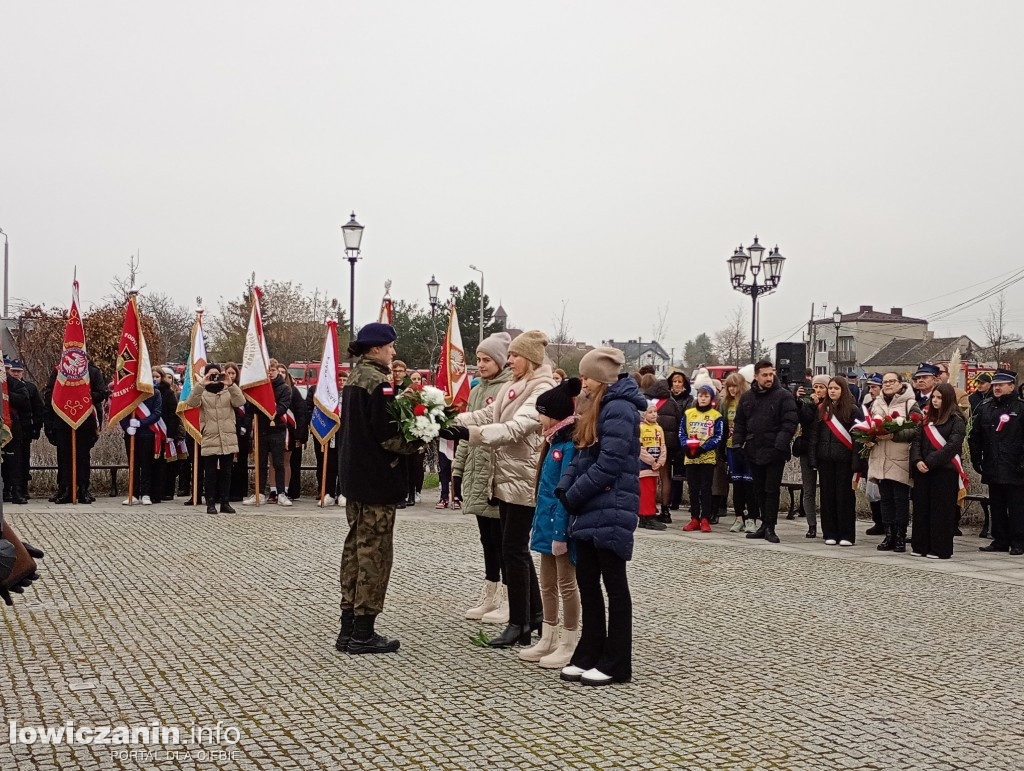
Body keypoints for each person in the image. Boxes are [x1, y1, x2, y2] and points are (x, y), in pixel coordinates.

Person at [446, 330, 555, 648]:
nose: (510, 360)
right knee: (514, 549)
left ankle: (519, 621)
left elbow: (516, 428)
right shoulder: (514, 386)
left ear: (531, 360)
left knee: (513, 550)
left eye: (515, 356)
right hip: (504, 477)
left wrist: (468, 434)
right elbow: (487, 414)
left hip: (521, 479)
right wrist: (453, 420)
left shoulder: (542, 389)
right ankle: (533, 614)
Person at [555, 347, 644, 686]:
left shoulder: (619, 407)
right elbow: (582, 452)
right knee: (587, 583)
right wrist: (565, 488)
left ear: (601, 377)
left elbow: (610, 461)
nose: (584, 383)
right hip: (590, 505)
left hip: (611, 503)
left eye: (588, 376)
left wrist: (575, 495)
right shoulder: (595, 405)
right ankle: (589, 650)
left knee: (614, 587)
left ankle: (616, 660)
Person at [336, 323, 424, 654]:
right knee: (375, 554)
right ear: (375, 349)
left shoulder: (355, 379)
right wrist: (418, 440)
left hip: (356, 479)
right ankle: (363, 633)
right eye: (390, 347)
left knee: (355, 551)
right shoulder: (378, 383)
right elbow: (388, 437)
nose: (394, 352)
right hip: (376, 481)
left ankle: (347, 629)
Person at [519, 377, 582, 669]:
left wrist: (560, 531)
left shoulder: (568, 446)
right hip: (546, 525)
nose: (538, 419)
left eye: (541, 413)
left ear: (554, 415)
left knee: (566, 583)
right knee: (547, 584)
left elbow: (563, 492)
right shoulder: (553, 441)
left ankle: (568, 641)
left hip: (561, 528)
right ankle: (548, 634)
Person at [454, 332, 514, 622]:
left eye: (487, 359)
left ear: (501, 361)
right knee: (486, 538)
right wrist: (458, 469)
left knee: (503, 539)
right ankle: (490, 591)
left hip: (497, 472)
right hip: (476, 470)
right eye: (478, 359)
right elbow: (466, 433)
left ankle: (507, 596)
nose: (481, 364)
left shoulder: (508, 389)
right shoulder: (477, 389)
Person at [732, 360, 798, 544]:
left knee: (771, 490)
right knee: (758, 489)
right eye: (765, 375)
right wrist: (738, 444)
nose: (769, 378)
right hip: (754, 449)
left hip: (775, 451)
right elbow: (740, 423)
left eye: (771, 374)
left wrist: (779, 446)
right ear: (756, 376)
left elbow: (789, 423)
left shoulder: (783, 396)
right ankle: (763, 524)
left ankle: (770, 526)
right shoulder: (747, 397)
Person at [865, 372, 923, 552]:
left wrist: (894, 435)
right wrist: (869, 437)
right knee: (885, 499)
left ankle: (900, 536)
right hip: (880, 456)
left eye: (892, 381)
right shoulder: (876, 403)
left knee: (900, 499)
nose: (888, 384)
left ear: (900, 384)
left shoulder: (910, 403)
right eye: (885, 382)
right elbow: (869, 424)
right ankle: (888, 535)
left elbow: (917, 429)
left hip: (899, 457)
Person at [968, 369, 1024, 556]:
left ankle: (1018, 541)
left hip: (1015, 466)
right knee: (997, 505)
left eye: (1001, 385)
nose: (997, 388)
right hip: (992, 464)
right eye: (995, 385)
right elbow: (975, 436)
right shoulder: (986, 407)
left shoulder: (1020, 408)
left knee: (1016, 506)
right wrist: (977, 459)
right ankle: (1000, 539)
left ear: (1011, 386)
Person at [910, 383, 967, 559]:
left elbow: (952, 446)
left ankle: (939, 548)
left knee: (940, 511)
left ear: (948, 399)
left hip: (944, 471)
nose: (935, 401)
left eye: (939, 398)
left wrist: (930, 461)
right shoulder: (926, 419)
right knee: (922, 509)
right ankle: (920, 545)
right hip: (923, 470)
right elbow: (917, 442)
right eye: (933, 397)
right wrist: (917, 460)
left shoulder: (956, 420)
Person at [185, 363, 246, 514]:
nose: (215, 378)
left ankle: (225, 502)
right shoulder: (203, 392)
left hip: (227, 435)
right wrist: (201, 384)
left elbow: (240, 402)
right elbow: (191, 402)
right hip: (210, 436)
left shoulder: (228, 390)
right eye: (211, 375)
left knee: (226, 472)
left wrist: (230, 384)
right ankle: (210, 503)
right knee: (210, 473)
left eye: (217, 374)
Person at [43, 361, 108, 504]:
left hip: (85, 422)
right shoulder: (59, 371)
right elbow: (49, 395)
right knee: (64, 457)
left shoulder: (92, 371)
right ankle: (65, 488)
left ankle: (83, 488)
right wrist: (49, 425)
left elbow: (101, 393)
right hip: (62, 421)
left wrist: (80, 393)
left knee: (83, 457)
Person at [808, 377, 863, 546]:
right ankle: (830, 532)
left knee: (844, 498)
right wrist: (813, 458)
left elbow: (859, 438)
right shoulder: (821, 409)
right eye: (830, 388)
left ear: (843, 390)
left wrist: (857, 463)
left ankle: (846, 534)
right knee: (827, 498)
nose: (832, 391)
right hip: (826, 460)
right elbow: (814, 436)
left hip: (845, 461)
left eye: (836, 388)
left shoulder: (853, 410)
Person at [243, 358, 291, 507]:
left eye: (272, 370)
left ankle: (281, 493)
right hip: (261, 430)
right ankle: (260, 493)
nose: (270, 373)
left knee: (278, 463)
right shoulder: (259, 388)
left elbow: (282, 408)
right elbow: (250, 408)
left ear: (277, 371)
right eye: (267, 370)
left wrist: (269, 406)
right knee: (261, 464)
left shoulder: (284, 388)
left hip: (277, 430)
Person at [680, 385, 724, 532]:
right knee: (693, 489)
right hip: (690, 457)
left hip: (707, 457)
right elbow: (682, 433)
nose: (703, 398)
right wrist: (686, 447)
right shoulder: (688, 413)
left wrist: (702, 448)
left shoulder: (716, 416)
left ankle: (705, 518)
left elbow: (718, 437)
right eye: (700, 395)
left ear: (710, 398)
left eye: (706, 396)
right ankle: (694, 518)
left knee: (706, 488)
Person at [119, 371, 164, 506]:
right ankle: (133, 493)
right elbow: (122, 411)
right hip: (131, 434)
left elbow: (156, 414)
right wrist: (126, 426)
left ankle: (146, 494)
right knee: (133, 464)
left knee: (146, 465)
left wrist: (140, 423)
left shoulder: (155, 393)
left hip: (147, 433)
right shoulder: (129, 393)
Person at [643, 376, 683, 523]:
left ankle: (650, 508)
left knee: (651, 476)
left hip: (650, 445)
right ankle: (666, 509)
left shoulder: (649, 403)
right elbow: (680, 423)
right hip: (669, 445)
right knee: (666, 476)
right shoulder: (672, 402)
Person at [720, 372, 756, 533]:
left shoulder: (748, 402)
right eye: (729, 386)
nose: (732, 389)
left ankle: (752, 518)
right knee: (737, 483)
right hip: (731, 447)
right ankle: (739, 517)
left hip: (747, 447)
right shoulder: (725, 404)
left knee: (749, 483)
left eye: (735, 386)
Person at [795, 375, 829, 538]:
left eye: (822, 387)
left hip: (824, 451)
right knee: (808, 490)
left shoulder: (831, 406)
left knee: (827, 490)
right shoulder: (806, 404)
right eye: (815, 387)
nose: (817, 390)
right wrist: (808, 404)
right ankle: (811, 525)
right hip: (807, 450)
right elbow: (803, 420)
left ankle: (828, 524)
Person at [307, 369, 346, 506]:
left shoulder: (349, 395)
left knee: (343, 463)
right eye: (339, 380)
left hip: (344, 433)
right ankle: (328, 493)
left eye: (344, 380)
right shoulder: (327, 395)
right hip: (329, 431)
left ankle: (342, 492)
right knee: (328, 463)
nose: (341, 383)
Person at [7, 361, 43, 502]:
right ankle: (7, 489)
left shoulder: (26, 387)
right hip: (8, 428)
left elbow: (35, 408)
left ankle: (20, 489)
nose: (15, 373)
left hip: (21, 429)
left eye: (17, 371)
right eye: (11, 370)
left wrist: (36, 427)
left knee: (20, 461)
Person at [2, 360, 32, 504]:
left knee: (14, 464)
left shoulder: (15, 384)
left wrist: (5, 395)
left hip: (12, 429)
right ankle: (4, 490)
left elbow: (24, 400)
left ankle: (16, 491)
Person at [861, 372, 885, 536]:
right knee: (871, 491)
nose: (871, 390)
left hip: (884, 451)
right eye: (869, 387)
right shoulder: (868, 403)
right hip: (871, 452)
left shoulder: (886, 405)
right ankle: (878, 522)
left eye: (874, 387)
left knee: (882, 490)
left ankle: (885, 523)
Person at [223, 363, 252, 503]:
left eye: (233, 373)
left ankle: (240, 491)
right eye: (228, 373)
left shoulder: (243, 390)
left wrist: (245, 426)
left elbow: (248, 411)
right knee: (229, 463)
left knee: (241, 462)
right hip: (229, 430)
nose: (231, 376)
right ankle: (228, 491)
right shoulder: (222, 390)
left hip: (243, 433)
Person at [637, 401, 667, 531]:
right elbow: (640, 448)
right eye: (650, 412)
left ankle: (646, 516)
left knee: (652, 491)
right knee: (646, 491)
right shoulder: (640, 428)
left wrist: (661, 461)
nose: (654, 414)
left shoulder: (659, 428)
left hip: (655, 465)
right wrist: (651, 461)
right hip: (645, 466)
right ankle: (647, 515)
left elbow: (663, 446)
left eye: (655, 411)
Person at [666, 370, 694, 510]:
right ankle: (670, 499)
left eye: (679, 382)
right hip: (668, 438)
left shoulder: (689, 400)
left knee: (681, 471)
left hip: (681, 438)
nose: (676, 384)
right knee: (667, 473)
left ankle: (680, 499)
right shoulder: (666, 397)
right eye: (674, 382)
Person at [283, 368, 308, 501]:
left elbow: (301, 413)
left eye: (283, 372)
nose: (280, 374)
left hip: (293, 434)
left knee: (293, 463)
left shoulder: (295, 392)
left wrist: (301, 435)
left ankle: (293, 491)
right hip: (279, 432)